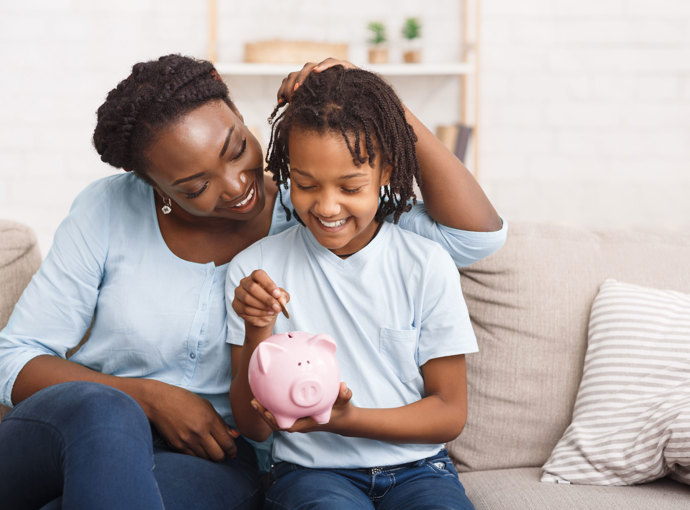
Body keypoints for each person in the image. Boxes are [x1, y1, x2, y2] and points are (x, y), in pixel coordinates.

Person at [0, 55, 504, 509]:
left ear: (236, 107)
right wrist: (149, 397)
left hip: (206, 457)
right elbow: (15, 358)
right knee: (106, 413)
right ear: (150, 183)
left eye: (237, 148)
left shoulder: (309, 206)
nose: (238, 186)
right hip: (78, 429)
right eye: (196, 186)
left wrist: (383, 107)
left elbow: (475, 238)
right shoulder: (108, 207)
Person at [227, 65, 498, 510]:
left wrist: (348, 420)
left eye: (351, 186)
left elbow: (449, 413)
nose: (327, 206)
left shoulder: (426, 264)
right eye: (306, 184)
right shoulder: (256, 267)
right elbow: (253, 427)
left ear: (387, 172)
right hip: (310, 473)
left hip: (418, 469)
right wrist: (257, 326)